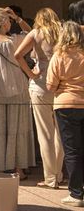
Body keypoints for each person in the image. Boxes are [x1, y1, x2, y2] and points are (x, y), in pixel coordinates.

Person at [0, 7, 36, 179]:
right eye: (10, 21)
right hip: (17, 89)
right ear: (5, 22)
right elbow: (34, 33)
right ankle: (18, 167)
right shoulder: (15, 40)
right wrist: (19, 18)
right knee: (17, 128)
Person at [13, 7, 64, 189]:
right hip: (62, 85)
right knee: (60, 133)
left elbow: (18, 55)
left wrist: (31, 75)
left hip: (41, 83)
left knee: (45, 134)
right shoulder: (64, 32)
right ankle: (58, 174)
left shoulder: (36, 33)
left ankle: (50, 178)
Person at [47, 21, 84, 207]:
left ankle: (76, 194)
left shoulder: (59, 56)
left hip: (65, 105)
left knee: (72, 151)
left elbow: (50, 86)